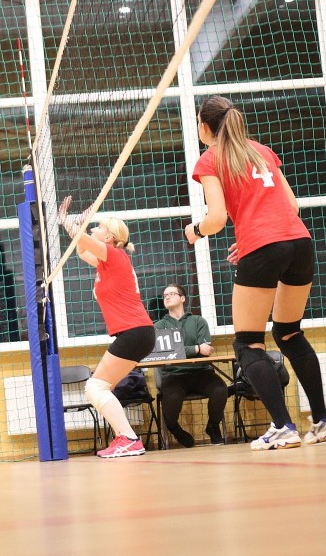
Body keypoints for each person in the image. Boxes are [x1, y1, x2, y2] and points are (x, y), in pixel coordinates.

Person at [185, 96, 326, 451]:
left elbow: (217, 218)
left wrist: (195, 231)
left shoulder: (210, 159)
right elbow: (292, 205)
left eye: (197, 123)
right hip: (299, 241)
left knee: (247, 343)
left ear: (205, 127)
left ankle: (283, 427)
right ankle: (322, 421)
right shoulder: (261, 151)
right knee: (289, 332)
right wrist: (251, 238)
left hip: (265, 246)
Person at [58, 196, 156, 458]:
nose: (94, 229)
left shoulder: (114, 255)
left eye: (98, 227)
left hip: (136, 331)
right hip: (136, 332)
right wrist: (81, 223)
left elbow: (80, 237)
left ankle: (129, 439)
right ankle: (126, 438)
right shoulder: (106, 262)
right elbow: (82, 250)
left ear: (109, 238)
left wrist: (67, 220)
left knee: (95, 387)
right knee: (101, 388)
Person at [153, 283, 228, 447]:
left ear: (182, 298)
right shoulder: (159, 327)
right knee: (171, 398)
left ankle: (213, 426)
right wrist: (196, 348)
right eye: (165, 295)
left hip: (201, 372)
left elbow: (206, 350)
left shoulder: (198, 321)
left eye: (171, 293)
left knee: (220, 389)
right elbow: (165, 352)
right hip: (174, 375)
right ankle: (174, 428)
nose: (166, 297)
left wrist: (185, 350)